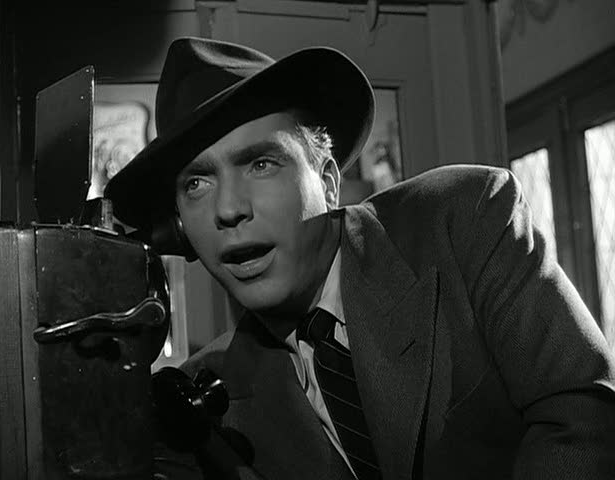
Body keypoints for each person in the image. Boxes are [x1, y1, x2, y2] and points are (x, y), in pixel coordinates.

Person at [105, 37, 615, 480]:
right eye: (196, 183)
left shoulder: (464, 219)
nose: (229, 209)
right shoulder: (206, 401)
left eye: (261, 163)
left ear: (328, 181)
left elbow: (582, 411)